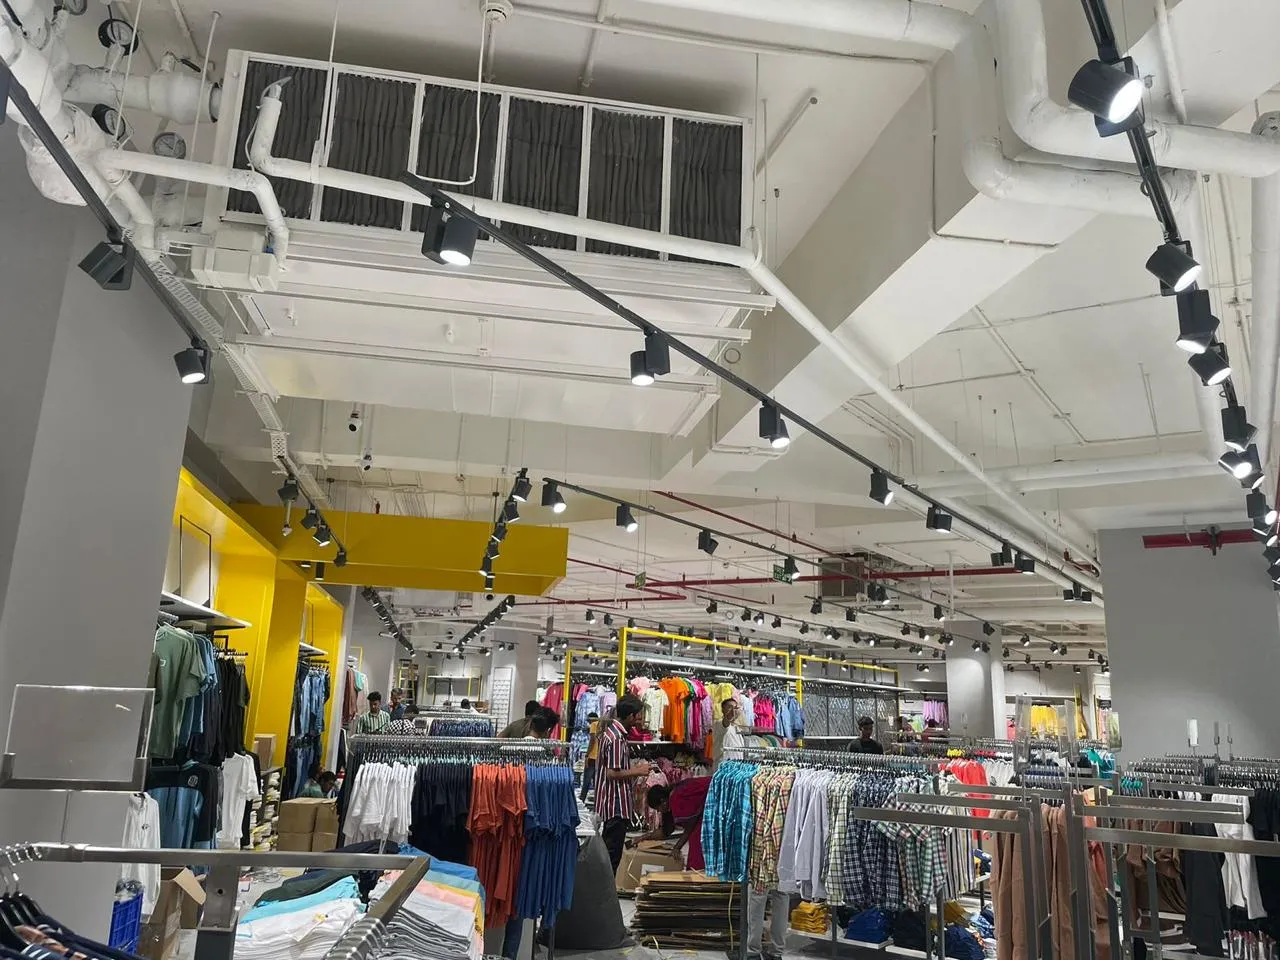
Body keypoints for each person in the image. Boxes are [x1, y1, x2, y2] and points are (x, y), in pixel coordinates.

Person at [596, 696, 654, 874]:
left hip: (611, 803)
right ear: (630, 716)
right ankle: (605, 890)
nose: (640, 720)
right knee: (612, 856)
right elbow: (612, 773)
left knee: (608, 854)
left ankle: (605, 888)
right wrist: (638, 771)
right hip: (615, 804)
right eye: (638, 716)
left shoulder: (611, 733)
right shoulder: (617, 738)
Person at [637, 777, 712, 870]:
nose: (659, 811)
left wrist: (677, 847)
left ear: (663, 801)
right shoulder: (671, 799)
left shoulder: (677, 798)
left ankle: (698, 871)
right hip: (707, 806)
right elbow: (666, 831)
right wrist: (643, 837)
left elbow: (690, 828)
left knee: (697, 843)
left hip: (718, 796)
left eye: (658, 808)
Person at [711, 696, 746, 767]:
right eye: (730, 707)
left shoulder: (736, 727)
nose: (733, 710)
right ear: (723, 710)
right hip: (723, 766)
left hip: (737, 767)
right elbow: (726, 722)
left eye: (735, 707)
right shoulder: (719, 724)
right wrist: (730, 716)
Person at [579, 711, 600, 802]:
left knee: (586, 780)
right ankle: (597, 800)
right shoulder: (602, 725)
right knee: (596, 780)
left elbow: (592, 740)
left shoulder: (594, 725)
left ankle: (582, 799)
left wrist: (587, 754)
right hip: (599, 756)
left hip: (592, 756)